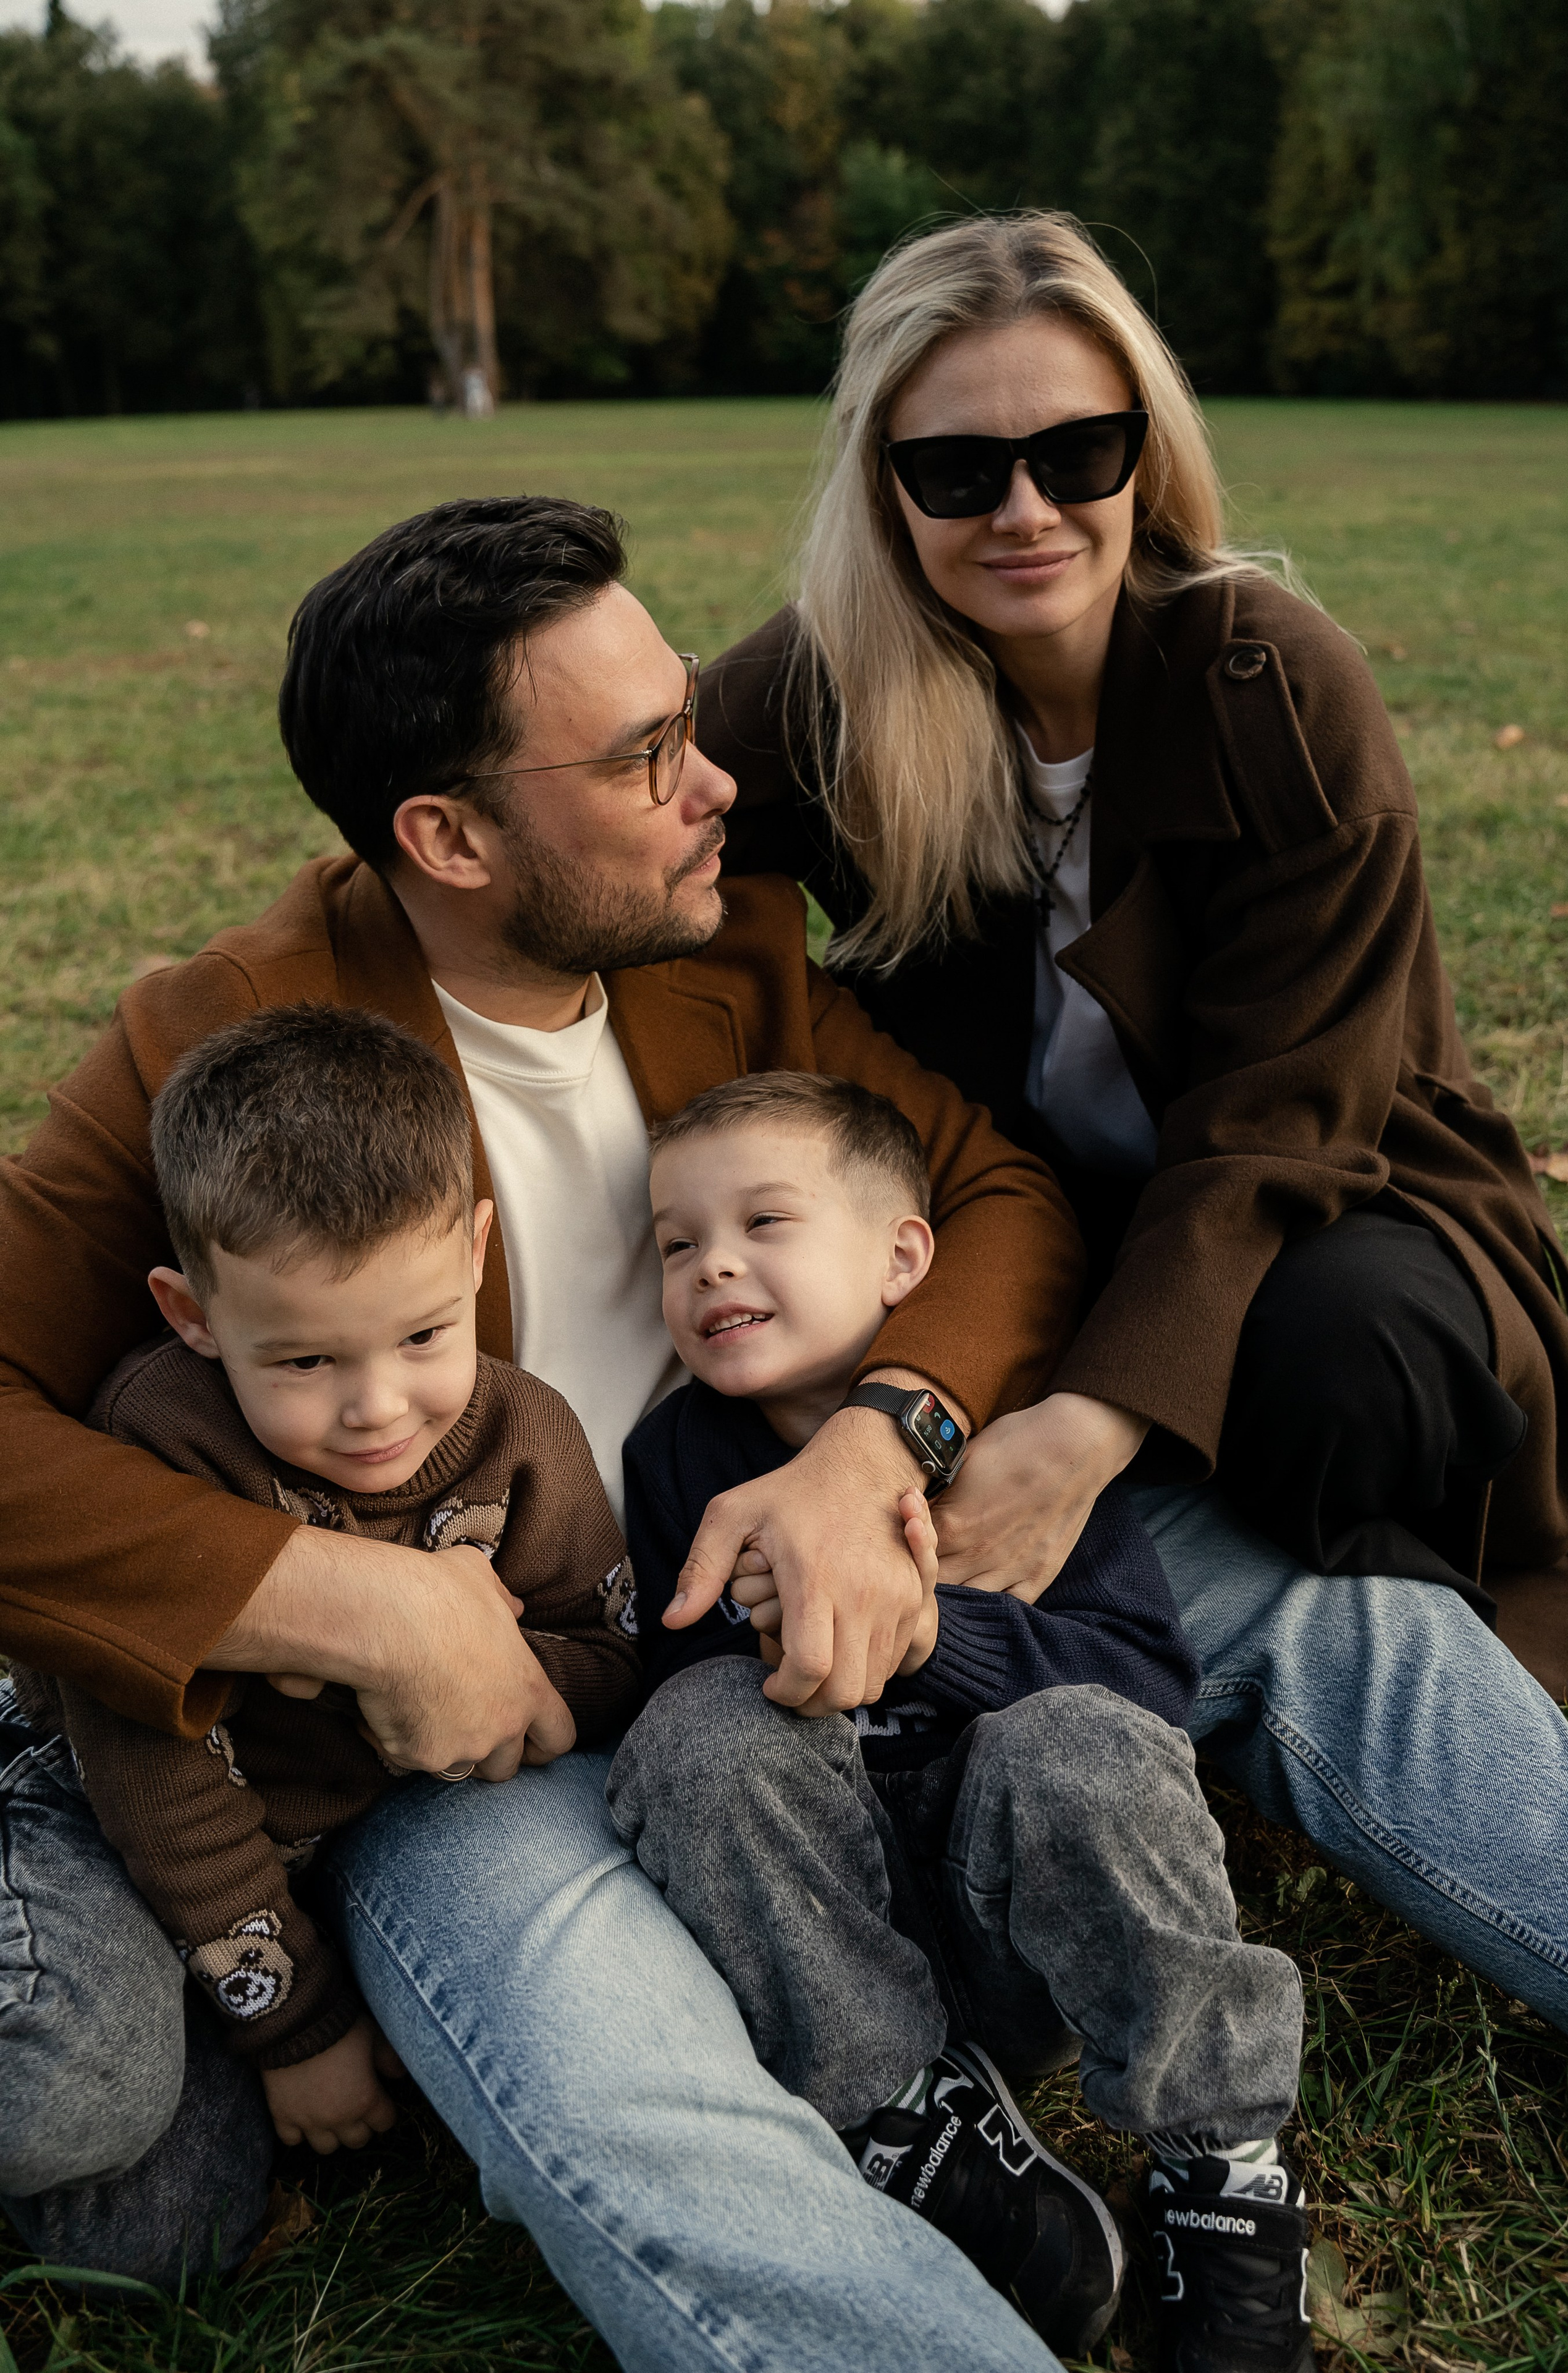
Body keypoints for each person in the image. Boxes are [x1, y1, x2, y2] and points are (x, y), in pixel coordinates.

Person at [0, 491, 1086, 2370]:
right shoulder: (226, 1033)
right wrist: (358, 1607)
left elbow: (997, 1194)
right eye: (650, 750)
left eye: (689, 718)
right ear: (448, 834)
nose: (720, 782)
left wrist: (870, 1444)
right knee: (623, 2092)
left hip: (673, 1644)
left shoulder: (725, 951)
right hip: (418, 1758)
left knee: (1298, 1616)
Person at [696, 211, 1568, 2042]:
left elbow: (1282, 1127)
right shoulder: (831, 686)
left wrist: (1093, 1423)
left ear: (1142, 455)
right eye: (957, 467)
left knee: (1326, 1362)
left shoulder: (1268, 679)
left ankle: (1401, 1644)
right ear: (888, 488)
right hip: (1052, 1238)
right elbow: (620, 824)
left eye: (1076, 452)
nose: (1025, 509)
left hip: (1351, 1218)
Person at [609, 1070, 1312, 2372]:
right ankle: (918, 2133)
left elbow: (1140, 1681)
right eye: (675, 1244)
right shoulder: (675, 1460)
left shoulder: (995, 1444)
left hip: (1033, 1924)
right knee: (697, 1728)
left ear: (901, 1256)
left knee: (1081, 1743)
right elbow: (681, 1714)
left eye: (764, 1225)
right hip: (829, 1956)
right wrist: (757, 1643)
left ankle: (1223, 2172)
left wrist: (928, 1632)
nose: (713, 1269)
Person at [10, 1003, 640, 2156]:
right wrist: (298, 2028)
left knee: (180, 2212)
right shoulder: (164, 1449)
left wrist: (488, 1663)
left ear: (477, 1252)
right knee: (72, 2097)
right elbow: (163, 1786)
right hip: (130, 1821)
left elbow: (606, 1660)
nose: (377, 1408)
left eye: (423, 1337)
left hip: (341, 1843)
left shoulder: (524, 1435)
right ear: (192, 1316)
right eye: (304, 1360)